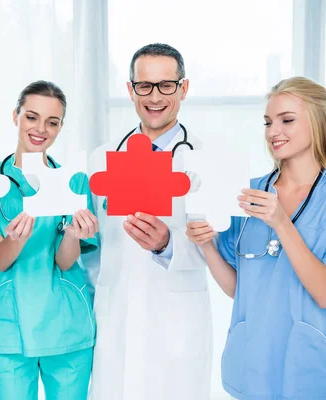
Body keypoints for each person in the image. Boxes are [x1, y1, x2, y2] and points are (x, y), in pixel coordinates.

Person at [186, 76, 326, 399]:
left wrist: (282, 223)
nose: (273, 132)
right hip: (255, 365)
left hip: (313, 365)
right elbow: (239, 289)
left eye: (287, 120)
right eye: (268, 122)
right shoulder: (247, 192)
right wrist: (207, 247)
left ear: (316, 122)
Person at [84, 43, 212, 400]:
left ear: (183, 88)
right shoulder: (102, 158)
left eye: (166, 85)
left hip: (177, 316)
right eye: (144, 86)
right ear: (130, 89)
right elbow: (93, 249)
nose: (155, 97)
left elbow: (217, 251)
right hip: (117, 313)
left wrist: (167, 244)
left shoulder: (203, 161)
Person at [0, 80, 99, 400]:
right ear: (16, 116)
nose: (41, 129)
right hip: (8, 326)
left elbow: (65, 261)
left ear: (61, 127)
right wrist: (18, 239)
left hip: (67, 324)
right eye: (31, 117)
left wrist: (73, 234)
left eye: (52, 122)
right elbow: (0, 257)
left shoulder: (74, 181)